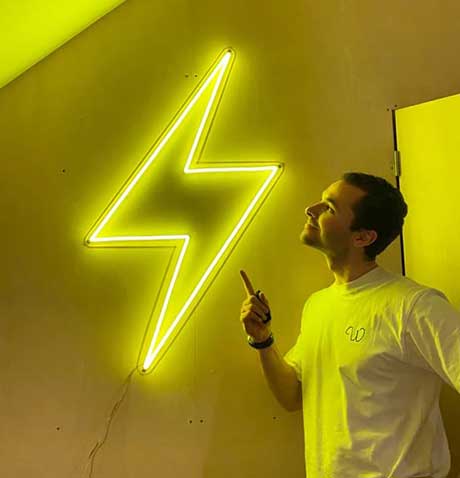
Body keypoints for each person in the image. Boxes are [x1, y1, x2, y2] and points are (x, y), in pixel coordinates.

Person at [239, 172, 459, 478]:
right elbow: (292, 396)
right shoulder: (318, 305)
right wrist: (263, 340)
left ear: (363, 237)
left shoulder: (414, 306)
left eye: (329, 207)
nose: (311, 210)